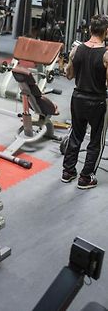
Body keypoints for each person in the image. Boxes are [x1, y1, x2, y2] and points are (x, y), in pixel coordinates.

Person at [61, 14, 108, 189]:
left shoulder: (77, 49)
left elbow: (69, 75)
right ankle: (85, 177)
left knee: (75, 135)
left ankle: (68, 172)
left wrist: (71, 61)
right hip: (97, 101)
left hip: (78, 98)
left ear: (90, 29)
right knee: (96, 140)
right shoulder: (106, 55)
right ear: (106, 32)